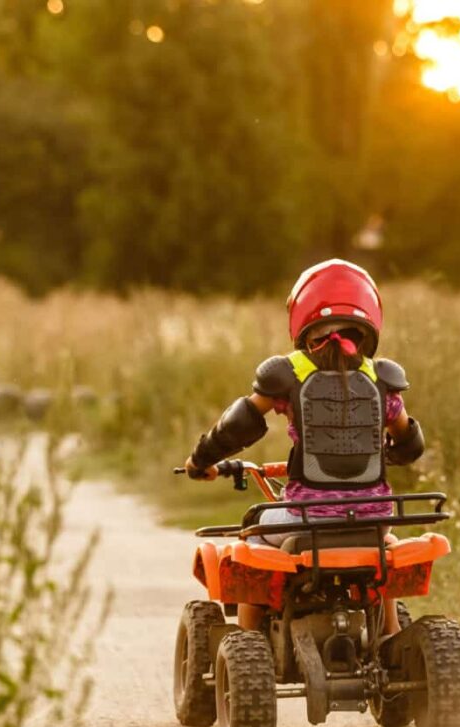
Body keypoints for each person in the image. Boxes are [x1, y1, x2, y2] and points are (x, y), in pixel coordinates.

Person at [183, 259, 426, 635]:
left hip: (306, 519)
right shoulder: (381, 377)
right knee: (387, 550)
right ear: (367, 323)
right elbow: (409, 442)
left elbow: (239, 423)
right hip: (372, 522)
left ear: (302, 319)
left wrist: (201, 460)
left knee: (254, 533)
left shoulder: (290, 372)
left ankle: (249, 643)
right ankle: (392, 637)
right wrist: (389, 453)